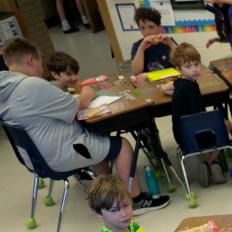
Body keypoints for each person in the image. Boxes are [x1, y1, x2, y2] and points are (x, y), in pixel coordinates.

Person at [0, 39, 168, 209]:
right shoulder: (32, 85)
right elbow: (77, 106)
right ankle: (136, 200)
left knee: (96, 137)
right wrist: (88, 92)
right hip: (59, 153)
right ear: (30, 60)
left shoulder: (5, 87)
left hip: (34, 157)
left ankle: (109, 193)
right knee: (122, 146)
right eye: (39, 63)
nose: (41, 69)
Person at [163, 43, 228, 185]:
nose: (194, 69)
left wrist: (175, 92)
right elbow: (199, 117)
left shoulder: (179, 83)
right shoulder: (191, 89)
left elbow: (165, 88)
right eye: (188, 66)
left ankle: (212, 164)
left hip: (182, 137)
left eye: (196, 64)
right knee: (227, 125)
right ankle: (210, 162)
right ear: (178, 69)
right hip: (196, 137)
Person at [130, 7, 176, 75]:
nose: (147, 32)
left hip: (171, 80)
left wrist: (171, 44)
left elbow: (185, 62)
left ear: (159, 27)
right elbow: (136, 72)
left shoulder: (169, 41)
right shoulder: (138, 45)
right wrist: (141, 49)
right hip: (150, 82)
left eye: (151, 27)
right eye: (142, 28)